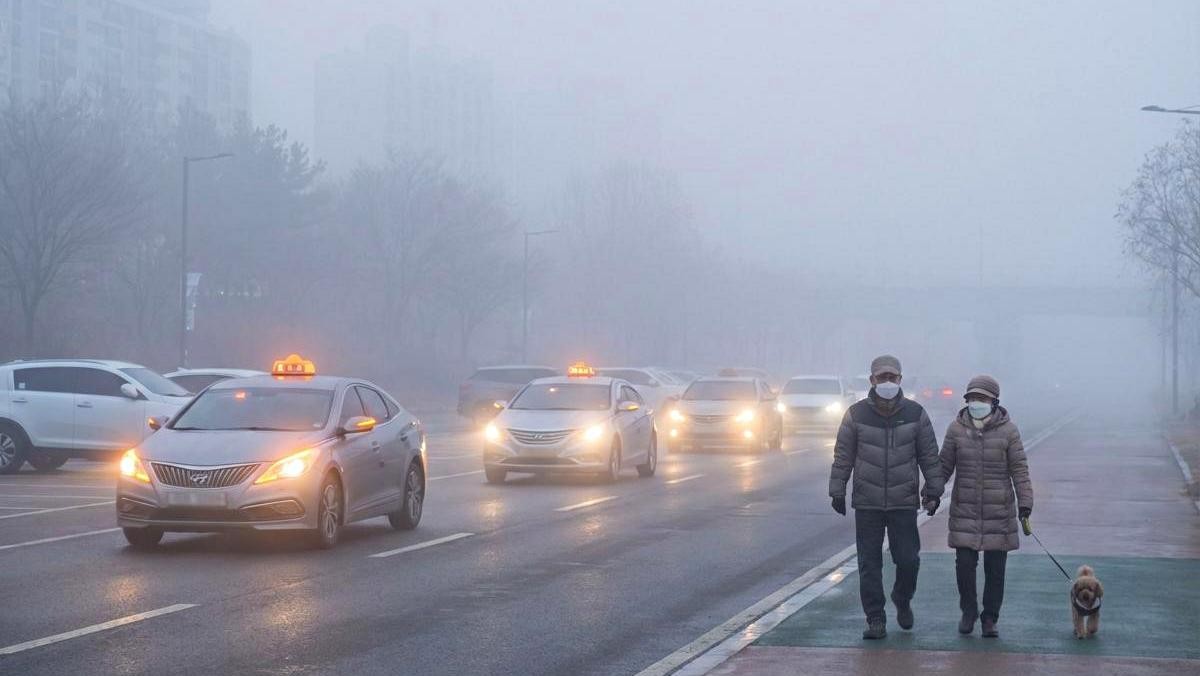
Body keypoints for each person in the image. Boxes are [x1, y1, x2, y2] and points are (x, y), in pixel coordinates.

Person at [829, 355, 944, 639]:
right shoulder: (855, 415)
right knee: (869, 563)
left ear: (901, 380)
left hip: (903, 502)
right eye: (882, 378)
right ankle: (875, 619)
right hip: (867, 502)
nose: (888, 382)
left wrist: (934, 490)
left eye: (892, 377)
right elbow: (843, 455)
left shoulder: (916, 414)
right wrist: (837, 489)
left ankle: (902, 598)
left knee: (908, 560)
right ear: (872, 380)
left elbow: (929, 456)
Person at [938, 375, 1032, 638]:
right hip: (965, 509)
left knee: (996, 569)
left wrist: (1025, 503)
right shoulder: (956, 429)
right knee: (964, 565)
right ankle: (968, 611)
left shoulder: (1009, 431)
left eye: (982, 398)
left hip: (998, 511)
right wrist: (931, 494)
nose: (977, 402)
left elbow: (1019, 470)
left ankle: (990, 617)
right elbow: (943, 466)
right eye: (972, 398)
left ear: (994, 401)